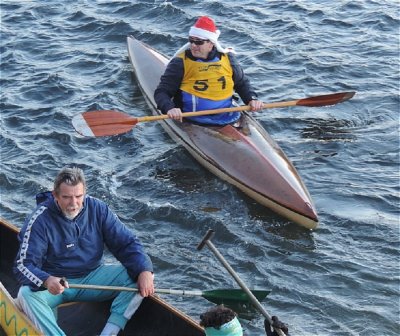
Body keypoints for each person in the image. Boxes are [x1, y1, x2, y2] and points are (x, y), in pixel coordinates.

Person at [13, 166, 154, 336]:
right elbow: (23, 265)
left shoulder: (98, 209)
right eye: (66, 197)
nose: (73, 204)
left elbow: (127, 243)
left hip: (91, 277)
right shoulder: (39, 219)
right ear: (55, 195)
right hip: (55, 284)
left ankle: (109, 333)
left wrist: (145, 270)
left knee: (140, 274)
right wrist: (47, 280)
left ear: (85, 193)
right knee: (26, 294)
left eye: (78, 196)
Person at [154, 16, 264, 125]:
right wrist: (169, 108)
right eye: (191, 40)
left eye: (198, 42)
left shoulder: (228, 58)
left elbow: (241, 83)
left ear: (211, 43)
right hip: (191, 118)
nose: (193, 45)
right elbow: (162, 92)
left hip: (227, 114)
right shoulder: (180, 63)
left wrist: (251, 99)